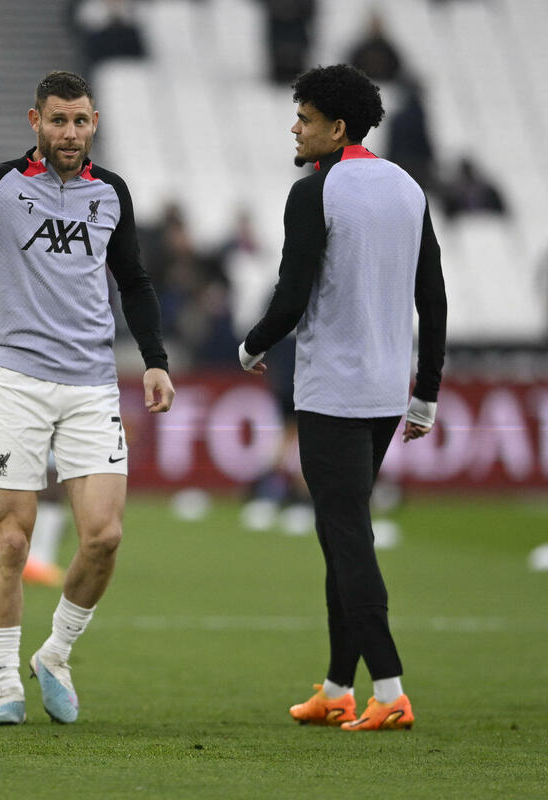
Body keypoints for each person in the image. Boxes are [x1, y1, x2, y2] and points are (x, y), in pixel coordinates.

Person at [0, 71, 175, 725]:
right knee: (10, 541)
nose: (70, 133)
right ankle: (5, 684)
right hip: (17, 382)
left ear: (94, 122)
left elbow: (134, 281)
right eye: (58, 120)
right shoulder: (0, 185)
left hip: (91, 384)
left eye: (80, 121)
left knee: (104, 536)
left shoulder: (111, 193)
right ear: (35, 122)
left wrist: (155, 360)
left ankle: (54, 654)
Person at [237, 64, 446, 731]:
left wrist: (252, 345)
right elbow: (433, 296)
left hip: (332, 392)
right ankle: (336, 687)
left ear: (337, 127)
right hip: (386, 392)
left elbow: (292, 295)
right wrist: (426, 392)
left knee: (348, 536)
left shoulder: (315, 192)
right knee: (339, 532)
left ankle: (389, 689)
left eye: (304, 118)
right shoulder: (407, 187)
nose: (295, 129)